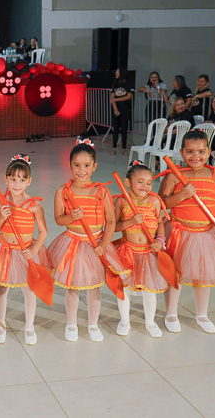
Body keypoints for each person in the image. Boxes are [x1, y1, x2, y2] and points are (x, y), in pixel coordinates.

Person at [158, 130, 215, 334]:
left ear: (209, 152)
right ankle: (171, 313)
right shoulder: (173, 176)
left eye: (201, 151)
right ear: (181, 153)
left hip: (207, 233)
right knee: (175, 272)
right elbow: (161, 204)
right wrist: (182, 195)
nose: (195, 156)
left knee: (203, 274)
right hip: (179, 232)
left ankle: (201, 314)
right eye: (190, 151)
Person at [46, 139, 130, 342]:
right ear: (69, 165)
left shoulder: (101, 191)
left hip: (96, 244)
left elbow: (111, 221)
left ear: (95, 166)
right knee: (73, 286)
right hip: (73, 242)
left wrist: (104, 244)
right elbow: (59, 219)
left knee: (94, 286)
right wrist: (71, 217)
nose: (81, 170)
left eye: (86, 165)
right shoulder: (63, 191)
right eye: (76, 165)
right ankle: (71, 324)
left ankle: (93, 324)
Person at [0, 154, 50, 346]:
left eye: (22, 180)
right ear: (5, 179)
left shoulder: (34, 205)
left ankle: (29, 326)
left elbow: (43, 232)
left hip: (25, 252)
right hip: (4, 250)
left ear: (29, 181)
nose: (17, 184)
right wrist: (2, 217)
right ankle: (1, 324)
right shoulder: (0, 203)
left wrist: (34, 251)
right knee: (2, 288)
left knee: (29, 289)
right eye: (13, 179)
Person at [113, 160, 170, 338]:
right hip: (127, 252)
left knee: (149, 290)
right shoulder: (121, 201)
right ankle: (124, 320)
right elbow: (113, 227)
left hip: (148, 252)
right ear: (127, 182)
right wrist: (130, 222)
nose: (145, 186)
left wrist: (160, 240)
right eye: (140, 182)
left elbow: (160, 223)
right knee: (124, 288)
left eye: (149, 182)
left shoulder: (154, 200)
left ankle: (150, 322)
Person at [110, 68, 133, 155]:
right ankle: (114, 148)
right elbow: (112, 98)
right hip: (116, 107)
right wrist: (115, 108)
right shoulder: (115, 83)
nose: (116, 73)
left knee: (124, 128)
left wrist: (116, 100)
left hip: (125, 108)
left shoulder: (128, 83)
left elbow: (128, 96)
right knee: (115, 128)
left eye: (118, 72)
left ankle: (124, 148)